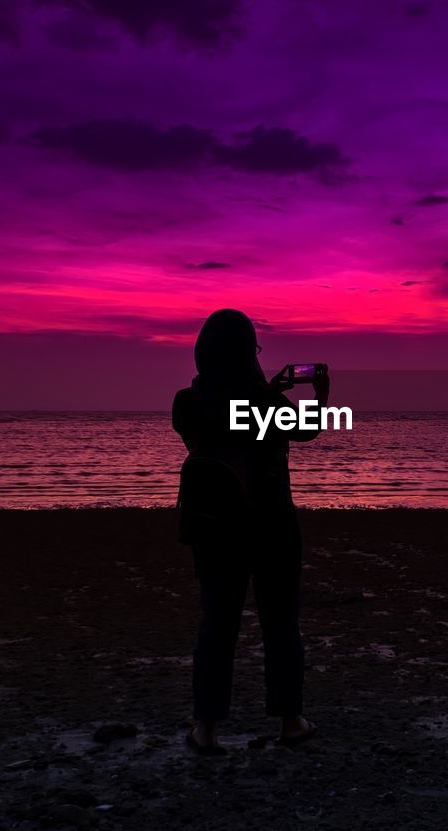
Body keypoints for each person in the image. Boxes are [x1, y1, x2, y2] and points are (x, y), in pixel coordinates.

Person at [171, 309, 329, 755]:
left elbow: (222, 425)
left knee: (216, 625)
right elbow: (307, 430)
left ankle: (205, 728)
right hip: (271, 526)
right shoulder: (268, 404)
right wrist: (317, 397)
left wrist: (265, 392)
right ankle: (290, 720)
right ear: (247, 352)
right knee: (280, 624)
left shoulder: (187, 402)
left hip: (214, 527)